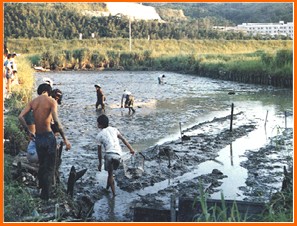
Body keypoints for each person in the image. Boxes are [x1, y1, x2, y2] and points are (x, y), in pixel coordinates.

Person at [18, 83, 71, 201]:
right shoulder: (52, 101)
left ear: (40, 91)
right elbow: (56, 122)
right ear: (48, 90)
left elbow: (20, 116)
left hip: (38, 137)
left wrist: (28, 132)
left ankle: (42, 192)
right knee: (50, 167)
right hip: (48, 136)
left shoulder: (33, 102)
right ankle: (47, 196)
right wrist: (65, 139)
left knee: (42, 165)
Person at [96, 114, 135, 197]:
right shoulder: (114, 129)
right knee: (110, 173)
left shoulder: (99, 135)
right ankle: (107, 188)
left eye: (98, 123)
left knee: (110, 174)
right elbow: (123, 139)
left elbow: (99, 153)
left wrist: (100, 164)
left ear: (100, 125)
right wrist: (131, 149)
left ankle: (114, 194)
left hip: (109, 155)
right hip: (118, 155)